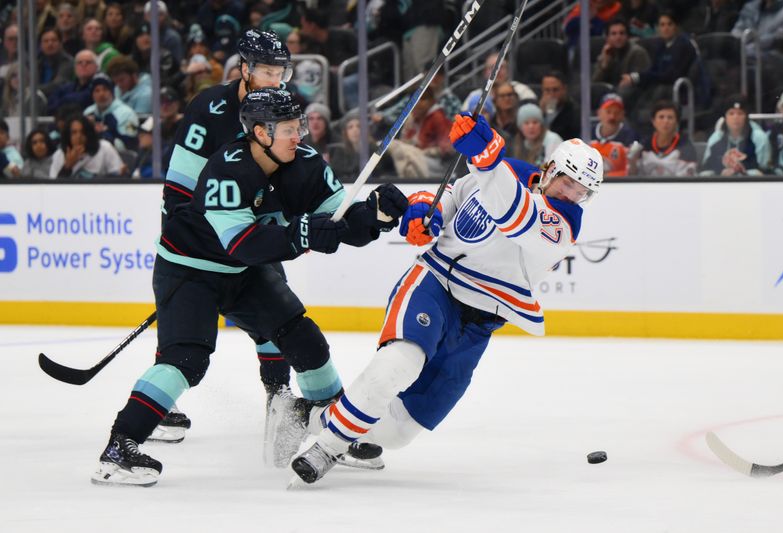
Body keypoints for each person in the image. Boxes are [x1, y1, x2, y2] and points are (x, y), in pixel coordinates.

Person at [90, 88, 408, 487]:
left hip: (241, 273)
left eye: (300, 127)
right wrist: (303, 234)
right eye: (289, 129)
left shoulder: (306, 165)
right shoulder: (227, 168)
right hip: (190, 270)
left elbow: (340, 222)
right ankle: (119, 447)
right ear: (260, 132)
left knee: (305, 341)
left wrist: (374, 216)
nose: (299, 137)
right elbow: (244, 242)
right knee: (186, 360)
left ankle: (334, 435)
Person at [290, 116, 604, 484]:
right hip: (435, 282)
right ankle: (326, 448)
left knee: (398, 432)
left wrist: (486, 159)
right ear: (550, 168)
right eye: (568, 183)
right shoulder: (513, 170)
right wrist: (428, 212)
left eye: (582, 191)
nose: (572, 194)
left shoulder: (564, 223)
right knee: (400, 362)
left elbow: (515, 217)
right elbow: (455, 195)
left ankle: (305, 418)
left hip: (479, 323)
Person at [700, 95, 770, 176]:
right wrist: (721, 172)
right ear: (725, 117)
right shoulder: (716, 138)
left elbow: (765, 169)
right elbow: (707, 166)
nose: (735, 117)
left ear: (746, 117)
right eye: (731, 113)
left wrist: (743, 171)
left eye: (740, 113)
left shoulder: (759, 137)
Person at [630, 100, 697, 177]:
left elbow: (686, 181)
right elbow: (634, 176)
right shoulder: (643, 146)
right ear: (653, 121)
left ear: (676, 123)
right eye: (661, 117)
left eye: (670, 118)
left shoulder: (686, 148)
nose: (666, 121)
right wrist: (632, 162)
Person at [49, 114, 125, 178]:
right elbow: (52, 189)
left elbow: (119, 177)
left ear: (89, 134)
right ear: (68, 135)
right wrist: (67, 167)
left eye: (82, 132)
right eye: (74, 133)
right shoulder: (60, 154)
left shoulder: (105, 148)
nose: (78, 136)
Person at [83, 72, 139, 151]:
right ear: (92, 95)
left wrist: (107, 133)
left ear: (112, 92)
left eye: (105, 89)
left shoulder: (128, 114)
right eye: (97, 91)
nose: (101, 94)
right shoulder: (88, 112)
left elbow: (130, 143)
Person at [591, 18, 651, 88]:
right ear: (607, 38)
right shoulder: (606, 52)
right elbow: (594, 84)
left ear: (627, 36)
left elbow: (637, 85)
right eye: (614, 34)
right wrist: (604, 65)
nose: (618, 37)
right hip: (609, 94)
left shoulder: (637, 53)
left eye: (622, 33)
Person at [590, 93, 639, 177]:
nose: (612, 116)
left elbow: (631, 172)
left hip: (617, 186)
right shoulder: (588, 133)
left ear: (623, 115)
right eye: (608, 112)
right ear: (599, 113)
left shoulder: (629, 136)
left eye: (617, 112)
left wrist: (604, 177)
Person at [508, 102, 563, 168]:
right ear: (520, 127)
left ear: (541, 125)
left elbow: (551, 168)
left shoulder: (552, 139)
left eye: (535, 122)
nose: (531, 126)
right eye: (526, 123)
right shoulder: (521, 143)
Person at [539, 71, 580, 141]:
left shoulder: (574, 113)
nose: (551, 94)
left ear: (564, 89)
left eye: (555, 90)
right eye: (547, 90)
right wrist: (540, 112)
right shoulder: (537, 110)